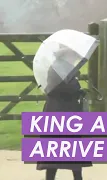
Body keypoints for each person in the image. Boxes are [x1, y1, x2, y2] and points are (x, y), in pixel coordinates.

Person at [37, 48, 91, 180]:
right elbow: (64, 88)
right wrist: (78, 90)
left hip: (60, 111)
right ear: (67, 55)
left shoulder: (65, 68)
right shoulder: (59, 69)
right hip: (60, 112)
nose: (75, 58)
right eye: (73, 55)